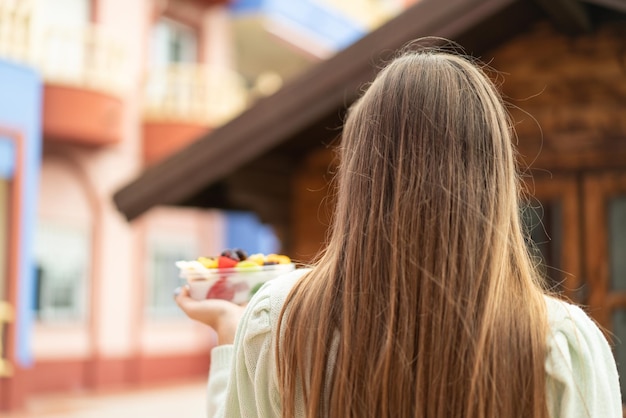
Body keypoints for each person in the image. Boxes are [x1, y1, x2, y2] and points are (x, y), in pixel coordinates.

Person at [175, 45, 622, 418]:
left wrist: (232, 333)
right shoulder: (562, 343)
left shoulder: (274, 322)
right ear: (496, 177)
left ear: (357, 175)